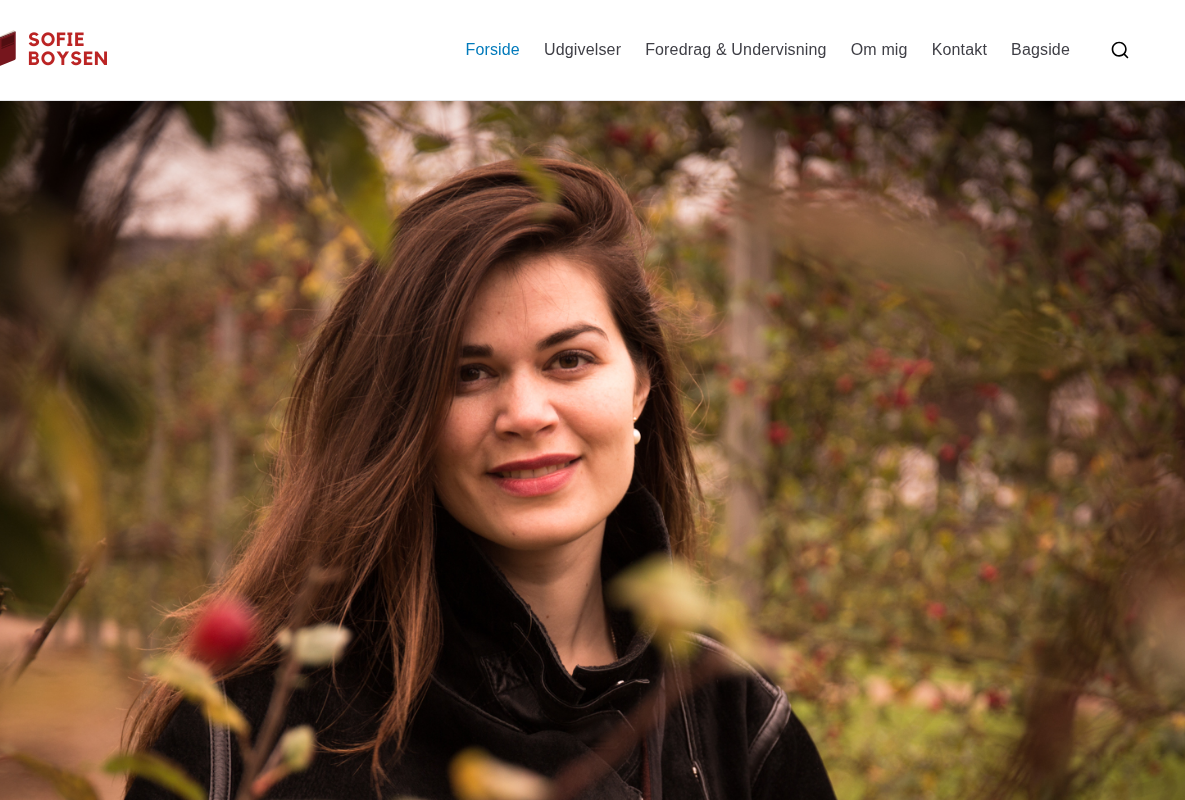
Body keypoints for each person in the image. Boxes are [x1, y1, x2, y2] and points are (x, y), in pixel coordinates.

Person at [125, 159, 836, 800]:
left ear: (640, 384)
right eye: (469, 374)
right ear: (404, 416)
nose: (525, 413)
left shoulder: (737, 724)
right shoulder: (248, 727)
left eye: (569, 360)